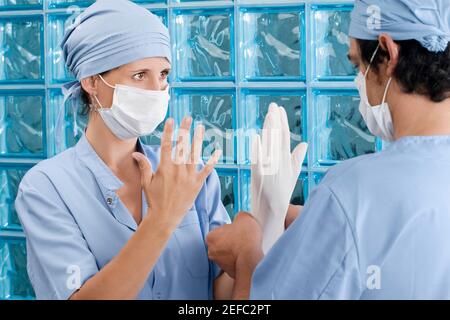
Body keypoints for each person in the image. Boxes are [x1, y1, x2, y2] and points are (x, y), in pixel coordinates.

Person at [206, 0, 450, 299]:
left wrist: (246, 256)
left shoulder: (355, 190)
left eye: (358, 66)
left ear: (388, 52)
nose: (358, 82)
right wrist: (323, 226)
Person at [14, 0, 234, 300]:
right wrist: (161, 219)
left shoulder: (188, 173)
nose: (158, 90)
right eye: (140, 75)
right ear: (92, 81)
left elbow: (224, 290)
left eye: (164, 74)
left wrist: (261, 233)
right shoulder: (46, 187)